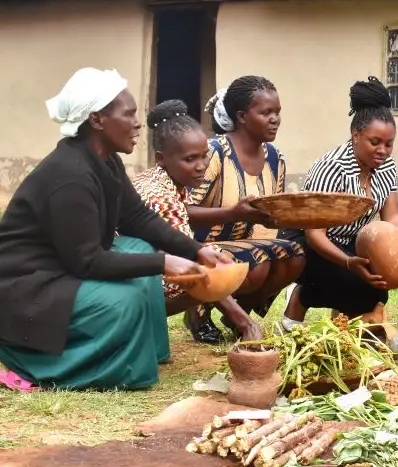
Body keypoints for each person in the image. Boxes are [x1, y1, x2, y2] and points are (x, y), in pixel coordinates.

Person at [0, 69, 224, 390]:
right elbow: (87, 261)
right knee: (125, 298)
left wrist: (196, 250)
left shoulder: (107, 161)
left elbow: (137, 218)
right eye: (129, 113)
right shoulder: (70, 176)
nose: (138, 122)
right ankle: (70, 368)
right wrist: (164, 263)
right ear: (97, 120)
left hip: (62, 266)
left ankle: (152, 353)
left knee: (140, 250)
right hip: (29, 288)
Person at [280, 78, 398, 327]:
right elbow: (315, 232)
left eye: (389, 144)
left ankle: (339, 318)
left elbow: (391, 216)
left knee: (376, 288)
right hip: (307, 240)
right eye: (375, 142)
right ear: (356, 135)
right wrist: (348, 262)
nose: (383, 150)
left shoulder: (387, 167)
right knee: (352, 279)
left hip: (346, 239)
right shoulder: (332, 167)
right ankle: (299, 297)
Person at [133, 100, 264, 344]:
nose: (201, 166)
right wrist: (246, 323)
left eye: (204, 156)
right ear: (161, 158)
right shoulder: (161, 197)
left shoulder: (159, 178)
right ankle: (148, 319)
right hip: (134, 283)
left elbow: (183, 216)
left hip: (136, 271)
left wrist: (234, 213)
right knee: (213, 265)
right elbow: (192, 259)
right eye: (190, 159)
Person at [188, 76, 305, 336]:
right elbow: (181, 212)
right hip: (199, 246)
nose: (275, 119)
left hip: (245, 244)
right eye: (266, 113)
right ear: (242, 116)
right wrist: (233, 213)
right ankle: (198, 308)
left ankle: (240, 312)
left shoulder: (275, 158)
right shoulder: (214, 153)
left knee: (295, 255)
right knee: (258, 262)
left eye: (277, 112)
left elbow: (271, 216)